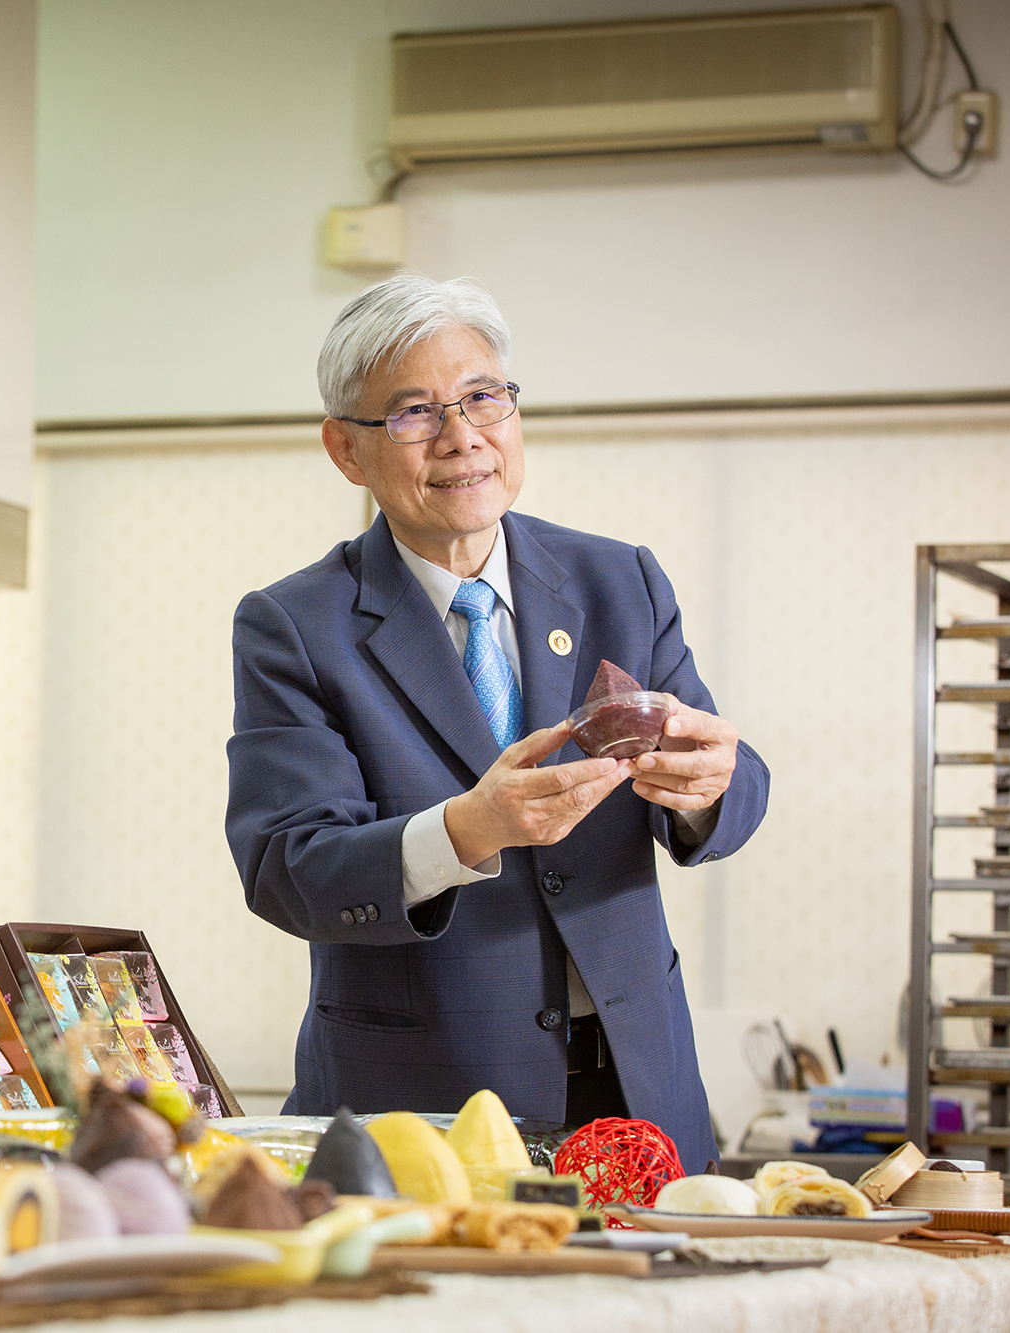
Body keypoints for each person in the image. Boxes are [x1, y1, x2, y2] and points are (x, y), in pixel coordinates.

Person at [224, 275, 768, 1171]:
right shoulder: (296, 625)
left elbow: (735, 787)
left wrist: (711, 787)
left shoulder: (618, 580)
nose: (463, 436)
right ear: (345, 449)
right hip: (425, 1107)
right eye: (413, 412)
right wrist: (467, 829)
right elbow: (287, 868)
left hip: (636, 1089)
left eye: (484, 397)